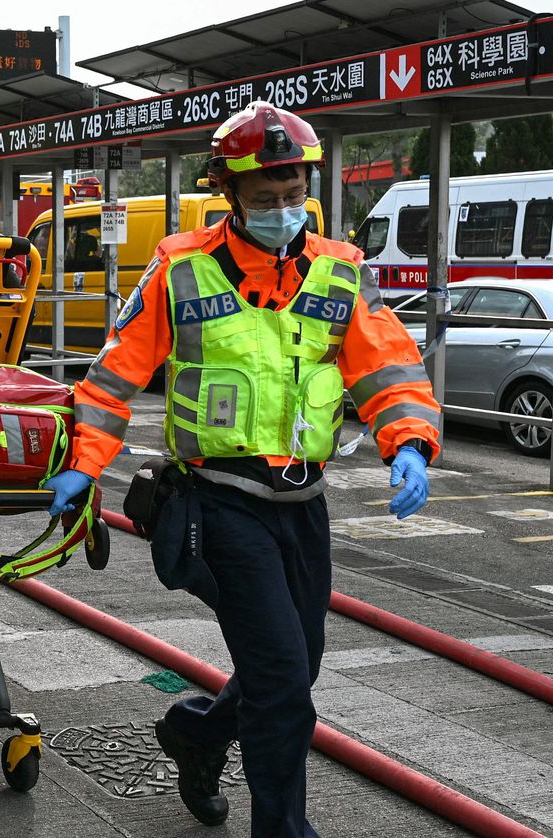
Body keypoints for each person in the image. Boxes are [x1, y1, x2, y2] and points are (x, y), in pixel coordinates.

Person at [42, 102, 442, 838]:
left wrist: (409, 442)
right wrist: (82, 464)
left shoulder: (340, 272)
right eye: (266, 201)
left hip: (303, 501)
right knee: (285, 682)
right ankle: (283, 828)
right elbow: (113, 377)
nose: (283, 212)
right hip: (220, 503)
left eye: (294, 198)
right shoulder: (179, 269)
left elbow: (386, 367)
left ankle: (198, 733)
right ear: (231, 195)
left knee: (295, 667)